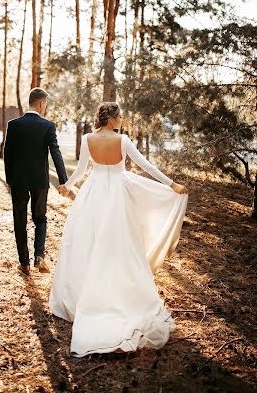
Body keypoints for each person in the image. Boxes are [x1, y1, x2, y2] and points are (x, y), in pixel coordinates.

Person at [49, 101, 189, 357]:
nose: (122, 120)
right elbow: (146, 166)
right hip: (115, 195)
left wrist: (68, 186)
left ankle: (82, 296)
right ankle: (115, 293)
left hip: (92, 193)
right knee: (119, 244)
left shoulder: (88, 138)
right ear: (111, 119)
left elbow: (81, 170)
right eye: (120, 116)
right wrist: (171, 184)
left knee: (87, 243)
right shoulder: (123, 141)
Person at [4, 88, 67, 275]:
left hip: (18, 181)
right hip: (40, 181)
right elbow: (56, 152)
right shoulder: (47, 126)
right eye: (45, 104)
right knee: (40, 218)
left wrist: (10, 179)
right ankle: (39, 256)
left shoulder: (13, 125)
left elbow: (7, 155)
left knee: (19, 220)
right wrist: (63, 180)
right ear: (41, 103)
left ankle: (24, 264)